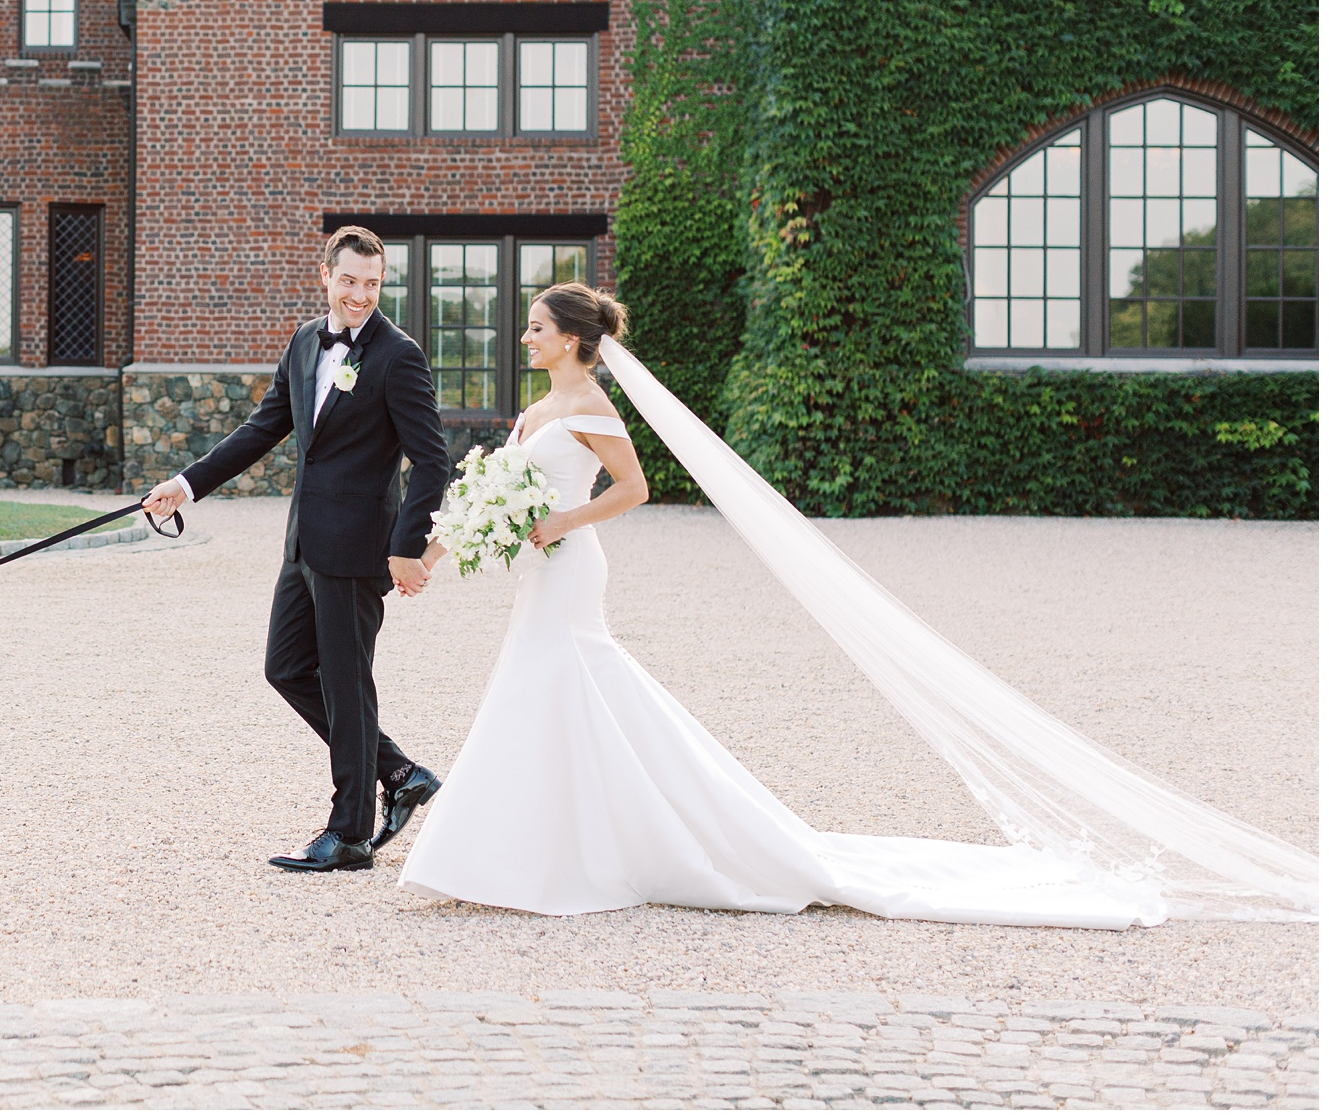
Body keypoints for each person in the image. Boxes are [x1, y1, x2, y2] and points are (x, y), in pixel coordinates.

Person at [397, 281, 1315, 927]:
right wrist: (443, 547)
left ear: (572, 338)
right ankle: (555, 845)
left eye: (535, 328)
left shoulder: (592, 403)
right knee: (556, 691)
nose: (525, 336)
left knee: (559, 684)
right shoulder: (534, 406)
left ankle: (554, 851)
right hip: (541, 569)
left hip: (572, 563)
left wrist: (560, 520)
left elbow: (633, 489)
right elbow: (491, 494)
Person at [144, 225, 452, 873]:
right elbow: (264, 427)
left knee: (346, 685)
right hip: (304, 543)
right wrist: (185, 484)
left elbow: (432, 461)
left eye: (372, 283)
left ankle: (349, 834)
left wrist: (408, 548)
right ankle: (398, 772)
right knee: (285, 667)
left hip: (359, 547)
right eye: (349, 281)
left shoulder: (398, 356)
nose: (361, 294)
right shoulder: (305, 341)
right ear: (325, 276)